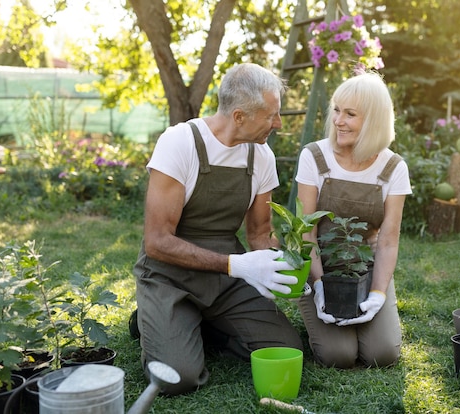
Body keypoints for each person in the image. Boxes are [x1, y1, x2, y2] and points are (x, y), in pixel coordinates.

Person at [133, 63, 303, 395]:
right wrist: (235, 264)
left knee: (284, 345)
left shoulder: (261, 156)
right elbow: (156, 242)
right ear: (239, 116)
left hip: (227, 282)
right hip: (169, 276)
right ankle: (152, 319)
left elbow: (258, 233)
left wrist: (287, 268)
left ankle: (198, 326)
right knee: (178, 377)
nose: (278, 124)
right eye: (271, 116)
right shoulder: (180, 142)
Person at [295, 71, 412, 368]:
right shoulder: (315, 157)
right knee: (338, 356)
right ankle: (319, 308)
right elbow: (305, 233)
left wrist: (377, 293)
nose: (338, 121)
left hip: (365, 267)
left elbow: (387, 240)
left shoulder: (393, 167)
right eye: (336, 110)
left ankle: (367, 313)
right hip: (320, 264)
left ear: (373, 120)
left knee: (381, 354)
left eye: (350, 114)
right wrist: (318, 283)